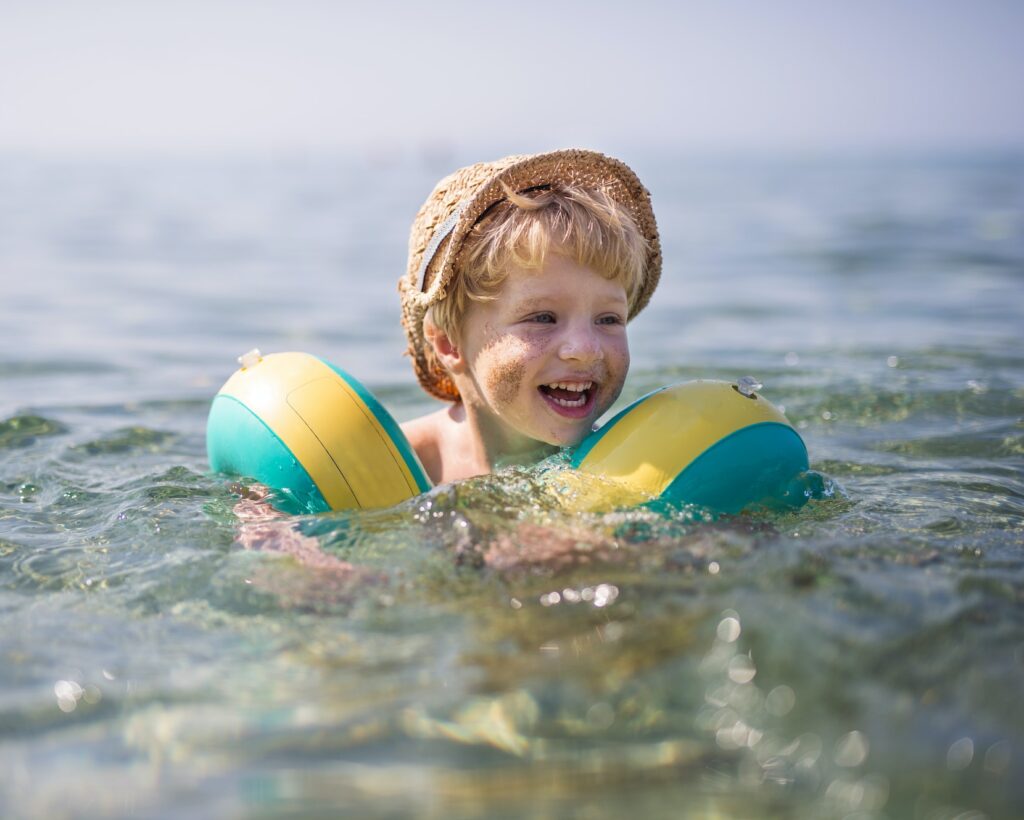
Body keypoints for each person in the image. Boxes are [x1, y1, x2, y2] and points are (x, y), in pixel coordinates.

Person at [397, 149, 662, 484]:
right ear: (449, 344)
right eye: (543, 318)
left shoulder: (637, 469)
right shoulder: (404, 466)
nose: (585, 348)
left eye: (608, 319)